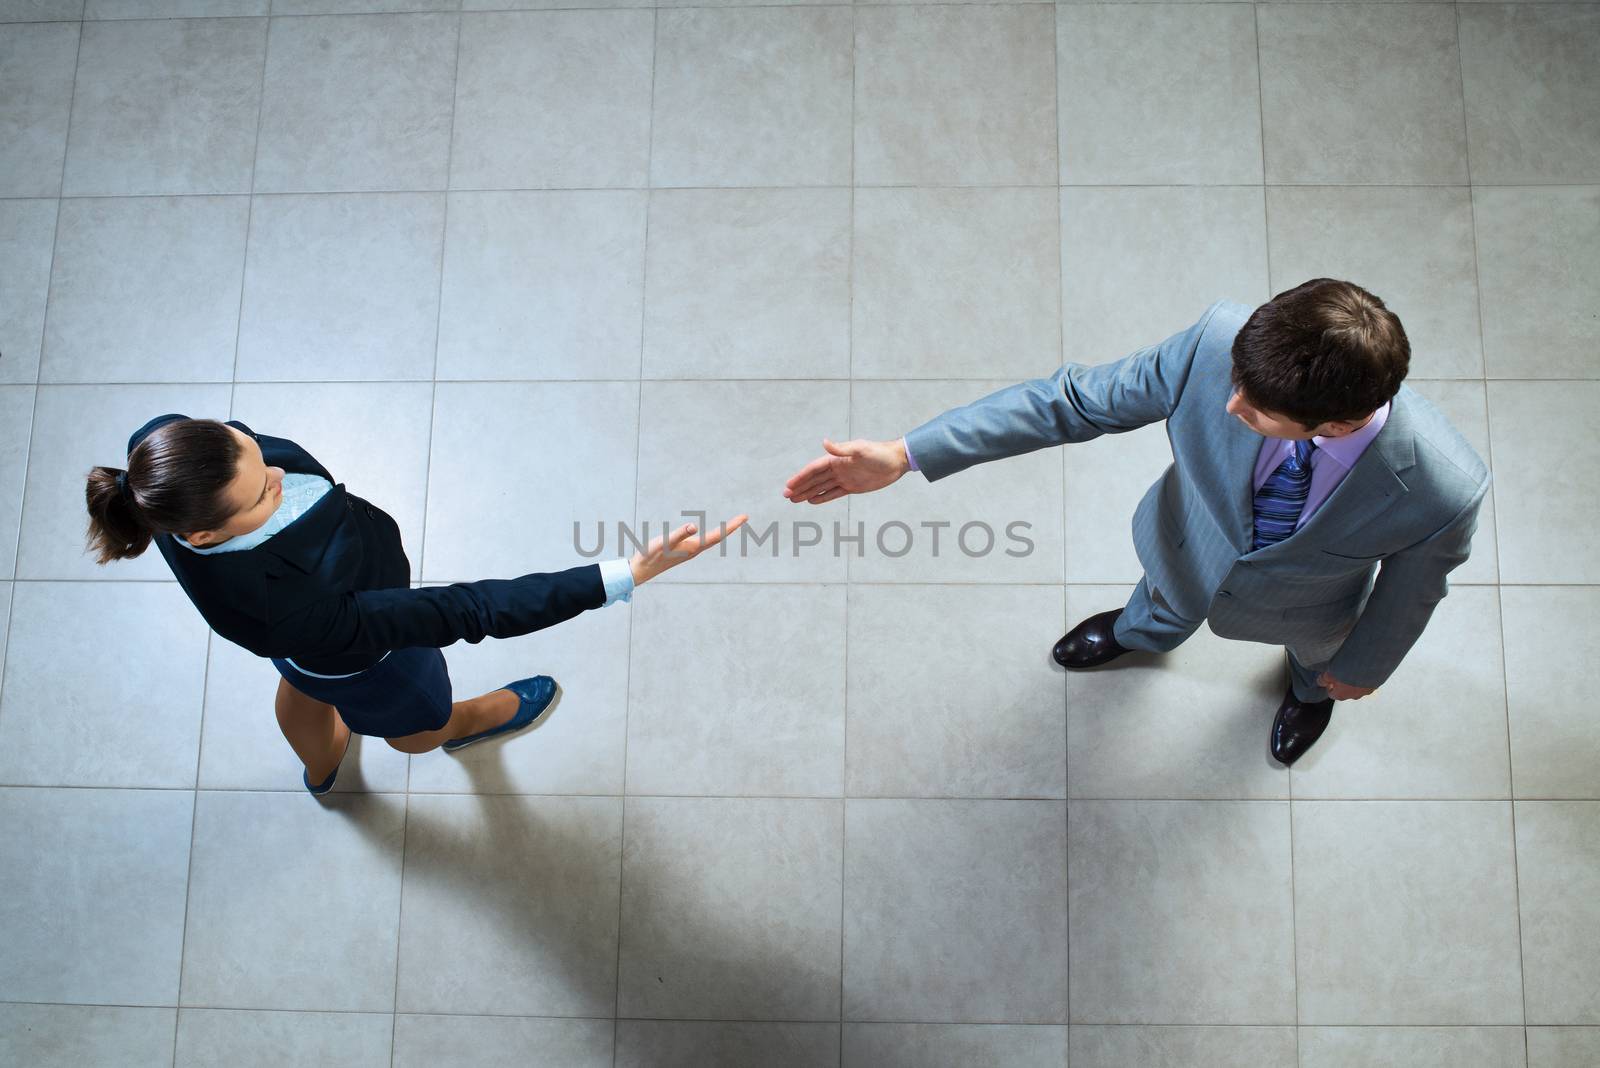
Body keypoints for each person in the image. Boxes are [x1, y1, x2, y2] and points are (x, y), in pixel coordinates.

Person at [782, 279, 1489, 765]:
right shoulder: (1216, 344)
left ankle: (1307, 696)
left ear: (1334, 425)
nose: (1229, 405)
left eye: (1256, 409)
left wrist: (1363, 667)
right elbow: (1068, 403)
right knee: (1158, 602)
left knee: (1320, 666)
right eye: (1236, 381)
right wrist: (907, 455)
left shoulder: (1443, 486)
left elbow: (1413, 589)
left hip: (1316, 607)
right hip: (1186, 544)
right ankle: (1135, 634)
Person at [87, 414, 746, 794]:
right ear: (202, 533)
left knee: (303, 682)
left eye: (254, 451)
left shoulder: (162, 464)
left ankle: (322, 768)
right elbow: (468, 610)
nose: (280, 478)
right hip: (369, 659)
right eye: (261, 495)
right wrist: (618, 576)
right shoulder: (297, 606)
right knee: (415, 718)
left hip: (304, 655)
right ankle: (462, 724)